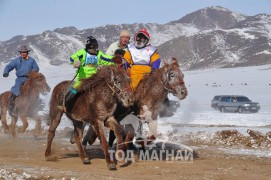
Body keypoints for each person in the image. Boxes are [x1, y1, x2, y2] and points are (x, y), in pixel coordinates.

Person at [58, 36, 121, 112]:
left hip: (94, 77)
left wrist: (115, 59)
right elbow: (72, 58)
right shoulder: (82, 53)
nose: (95, 50)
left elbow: (107, 58)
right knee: (76, 87)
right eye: (93, 48)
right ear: (88, 47)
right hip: (82, 77)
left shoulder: (99, 54)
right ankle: (63, 104)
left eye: (96, 48)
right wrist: (76, 61)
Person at [3, 46, 39, 113]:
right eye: (22, 52)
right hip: (20, 78)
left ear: (27, 52)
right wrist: (6, 72)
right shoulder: (16, 60)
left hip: (29, 79)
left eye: (24, 52)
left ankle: (37, 104)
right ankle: (11, 104)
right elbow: (9, 66)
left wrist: (32, 72)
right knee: (16, 89)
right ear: (20, 53)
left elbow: (36, 68)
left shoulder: (32, 60)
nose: (23, 53)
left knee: (36, 89)